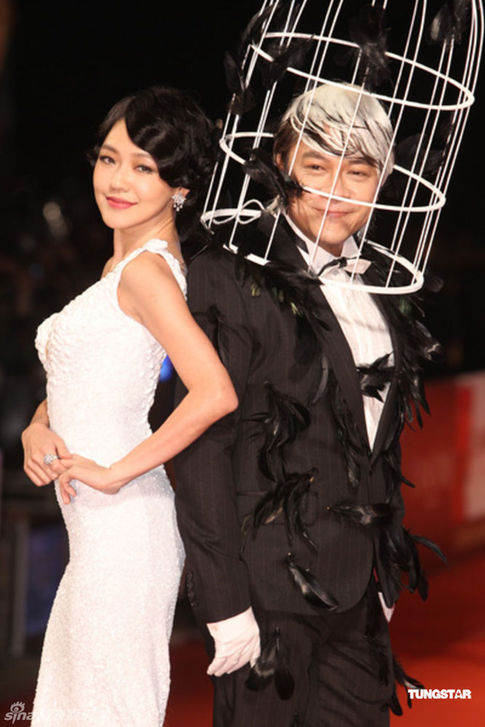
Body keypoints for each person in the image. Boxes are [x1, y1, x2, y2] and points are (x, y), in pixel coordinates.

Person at [173, 83, 441, 726]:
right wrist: (224, 603)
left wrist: (386, 565)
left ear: (383, 180)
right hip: (264, 592)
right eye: (316, 166)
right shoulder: (229, 273)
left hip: (359, 596)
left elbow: (380, 435)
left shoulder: (386, 281)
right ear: (280, 165)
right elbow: (204, 442)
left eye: (359, 170)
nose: (337, 190)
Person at [21, 85, 238, 726]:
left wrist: (116, 471)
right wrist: (39, 426)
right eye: (110, 158)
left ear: (181, 187)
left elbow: (215, 391)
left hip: (125, 531)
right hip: (99, 536)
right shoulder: (122, 270)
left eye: (144, 167)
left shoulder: (147, 272)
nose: (118, 180)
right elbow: (84, 378)